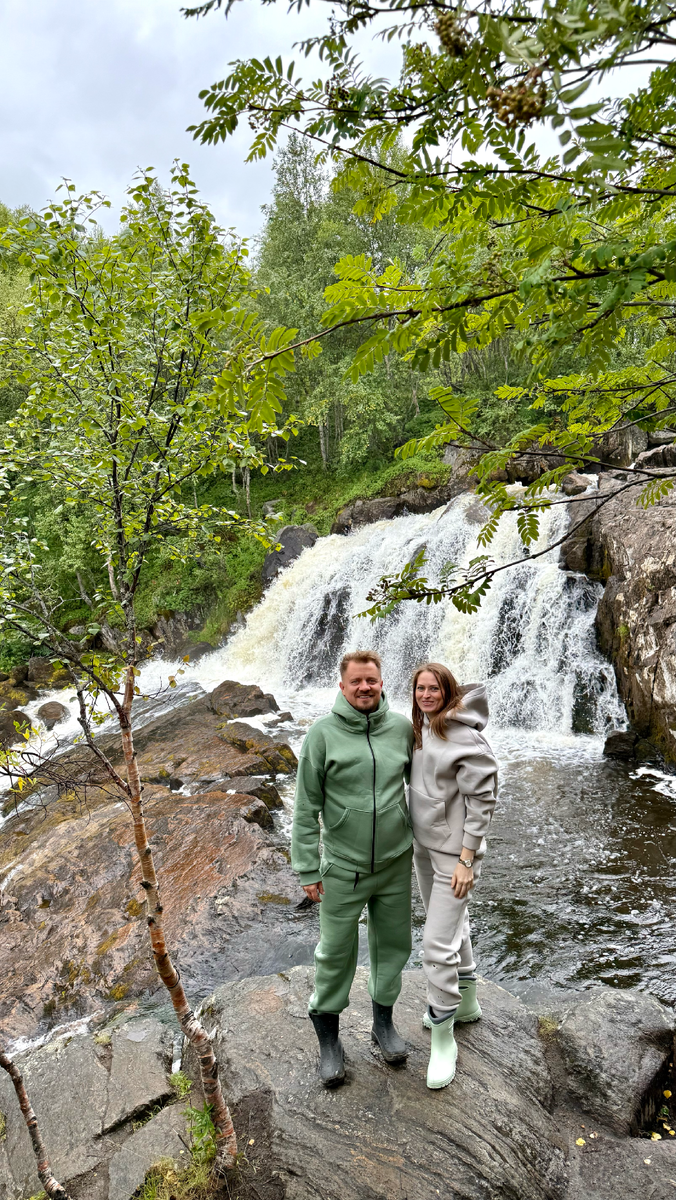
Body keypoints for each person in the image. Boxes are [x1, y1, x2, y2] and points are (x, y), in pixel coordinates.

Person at [291, 650, 415, 1087]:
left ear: (382, 683)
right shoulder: (321, 735)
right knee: (335, 952)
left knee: (394, 945)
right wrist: (308, 867)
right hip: (343, 865)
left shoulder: (401, 728)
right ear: (342, 686)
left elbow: (425, 787)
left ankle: (383, 1026)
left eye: (372, 681)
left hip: (396, 862)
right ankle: (330, 1042)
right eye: (357, 681)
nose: (365, 687)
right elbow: (306, 808)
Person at [409, 662, 498, 1090]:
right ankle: (468, 1003)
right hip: (424, 849)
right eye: (420, 688)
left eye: (434, 689)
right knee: (449, 926)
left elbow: (483, 800)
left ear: (449, 692)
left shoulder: (467, 739)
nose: (426, 695)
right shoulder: (421, 727)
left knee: (434, 942)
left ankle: (443, 1035)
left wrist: (466, 860)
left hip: (455, 856)